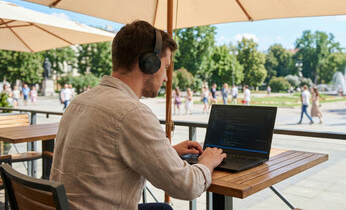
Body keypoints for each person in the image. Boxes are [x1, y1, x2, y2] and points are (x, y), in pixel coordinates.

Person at [50, 20, 226, 210]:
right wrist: (207, 162)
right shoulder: (131, 113)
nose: (166, 78)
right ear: (149, 63)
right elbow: (187, 187)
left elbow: (107, 156)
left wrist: (168, 153)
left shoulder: (79, 101)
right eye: (166, 67)